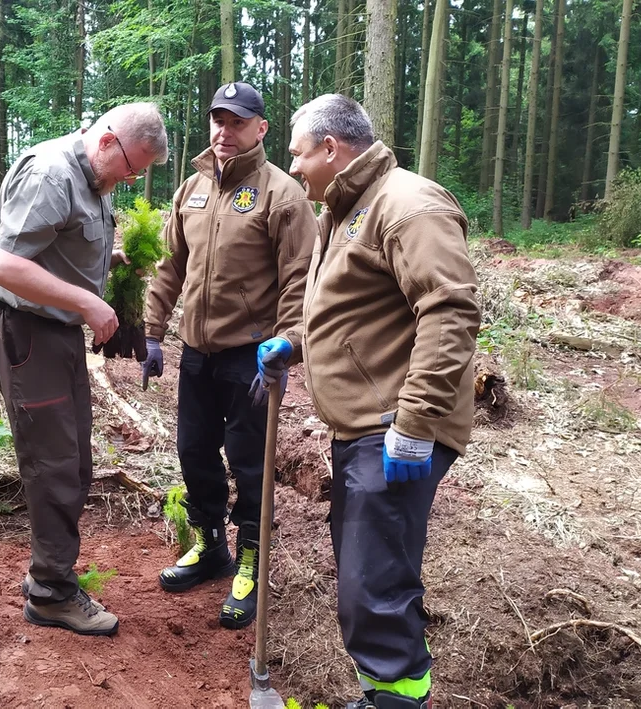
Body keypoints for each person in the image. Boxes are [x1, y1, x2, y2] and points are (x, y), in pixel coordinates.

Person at [269, 93, 480, 709]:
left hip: (392, 429)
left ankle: (393, 699)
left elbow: (450, 310)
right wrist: (295, 342)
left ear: (331, 149)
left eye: (298, 154)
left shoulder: (407, 205)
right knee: (368, 572)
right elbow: (354, 311)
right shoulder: (344, 209)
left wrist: (414, 424)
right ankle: (386, 691)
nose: (294, 169)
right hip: (362, 426)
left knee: (373, 582)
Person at [0, 103, 169, 636]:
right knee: (54, 463)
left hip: (54, 335)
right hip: (27, 333)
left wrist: (108, 262)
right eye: (130, 169)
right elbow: (6, 267)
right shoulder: (51, 173)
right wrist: (87, 303)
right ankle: (50, 592)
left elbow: (54, 248)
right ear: (108, 141)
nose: (128, 181)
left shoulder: (91, 181)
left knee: (74, 458)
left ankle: (52, 572)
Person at [142, 82, 316, 630]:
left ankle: (250, 561)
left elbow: (298, 281)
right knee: (193, 451)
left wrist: (288, 346)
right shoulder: (191, 189)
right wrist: (152, 331)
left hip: (252, 357)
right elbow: (171, 264)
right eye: (218, 120)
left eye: (237, 122)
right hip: (197, 351)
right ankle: (211, 546)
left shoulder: (282, 195)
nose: (224, 131)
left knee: (248, 460)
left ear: (261, 129)